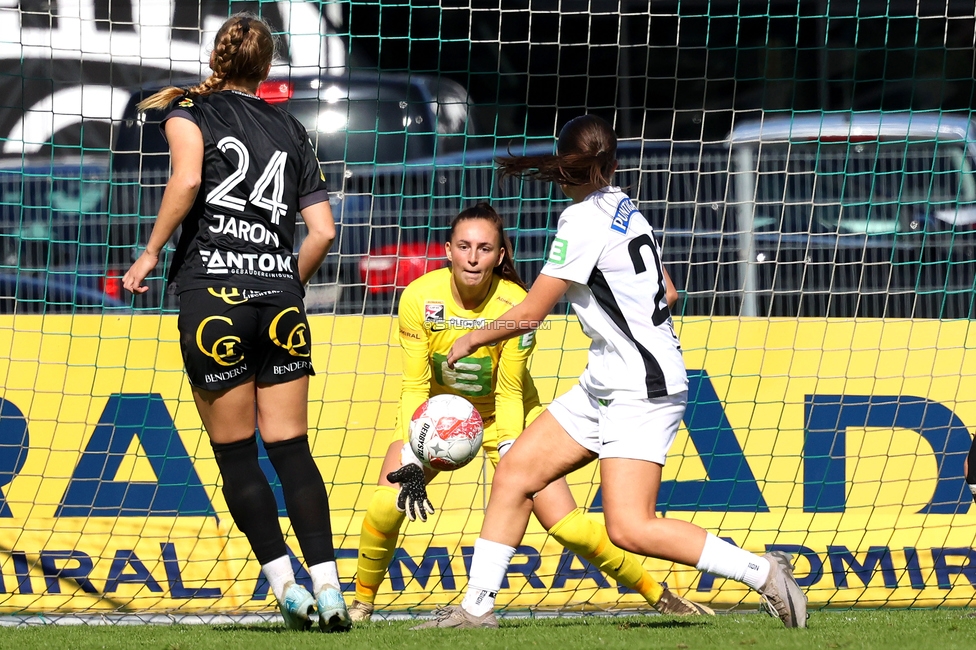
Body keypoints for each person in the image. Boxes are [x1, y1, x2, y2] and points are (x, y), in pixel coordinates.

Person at [414, 115, 809, 630]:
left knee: (629, 526)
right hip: (609, 379)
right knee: (516, 473)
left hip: (640, 388)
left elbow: (533, 311)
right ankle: (476, 608)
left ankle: (763, 573)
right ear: (612, 162)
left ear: (567, 164)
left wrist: (471, 337)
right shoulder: (625, 206)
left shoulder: (582, 221)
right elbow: (667, 290)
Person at [350, 203, 713, 622]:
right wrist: (413, 455)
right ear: (448, 250)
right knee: (384, 504)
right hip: (436, 421)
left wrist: (510, 451)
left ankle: (659, 595)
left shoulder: (515, 304)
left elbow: (508, 391)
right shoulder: (418, 297)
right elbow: (413, 385)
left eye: (484, 248)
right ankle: (361, 605)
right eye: (464, 246)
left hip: (510, 419)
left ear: (500, 255)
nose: (473, 257)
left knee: (569, 527)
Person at [121, 13, 350, 632]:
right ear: (268, 68)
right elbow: (324, 230)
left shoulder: (189, 109)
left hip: (212, 295)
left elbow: (189, 177)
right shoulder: (293, 128)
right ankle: (330, 589)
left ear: (216, 57)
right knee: (293, 449)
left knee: (236, 456)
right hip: (278, 298)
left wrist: (149, 253)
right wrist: (286, 282)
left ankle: (287, 590)